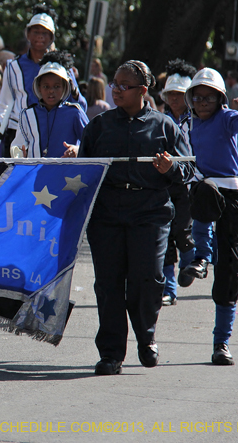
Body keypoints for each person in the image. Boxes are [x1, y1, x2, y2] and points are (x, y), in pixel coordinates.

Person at [79, 60, 194, 375]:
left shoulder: (164, 126)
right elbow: (83, 170)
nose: (116, 90)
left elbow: (189, 169)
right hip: (107, 214)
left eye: (123, 86)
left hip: (150, 212)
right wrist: (73, 161)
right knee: (108, 284)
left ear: (143, 91)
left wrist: (171, 168)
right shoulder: (99, 125)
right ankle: (111, 354)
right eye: (114, 83)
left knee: (147, 278)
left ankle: (147, 336)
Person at [178, 68, 238, 366]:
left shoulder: (226, 118)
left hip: (231, 193)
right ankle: (200, 257)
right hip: (204, 188)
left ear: (220, 99)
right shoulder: (188, 123)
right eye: (197, 97)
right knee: (203, 189)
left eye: (209, 98)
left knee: (229, 267)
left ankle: (221, 343)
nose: (202, 103)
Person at [0, 6, 57, 156]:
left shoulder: (59, 67)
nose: (40, 37)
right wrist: (1, 127)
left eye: (44, 33)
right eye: (36, 32)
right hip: (18, 132)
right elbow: (4, 102)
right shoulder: (13, 66)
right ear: (28, 34)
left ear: (51, 37)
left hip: (50, 131)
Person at [159, 59, 196, 307]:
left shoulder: (198, 120)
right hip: (165, 182)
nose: (174, 99)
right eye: (170, 94)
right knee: (164, 234)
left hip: (190, 184)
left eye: (179, 95)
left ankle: (189, 264)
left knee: (183, 229)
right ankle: (169, 288)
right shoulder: (159, 120)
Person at [12, 60, 87, 159]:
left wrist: (77, 150)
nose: (51, 91)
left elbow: (91, 143)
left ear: (64, 87)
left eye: (56, 86)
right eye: (46, 86)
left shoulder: (75, 113)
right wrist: (20, 154)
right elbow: (17, 146)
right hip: (34, 172)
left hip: (65, 172)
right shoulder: (27, 114)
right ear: (39, 88)